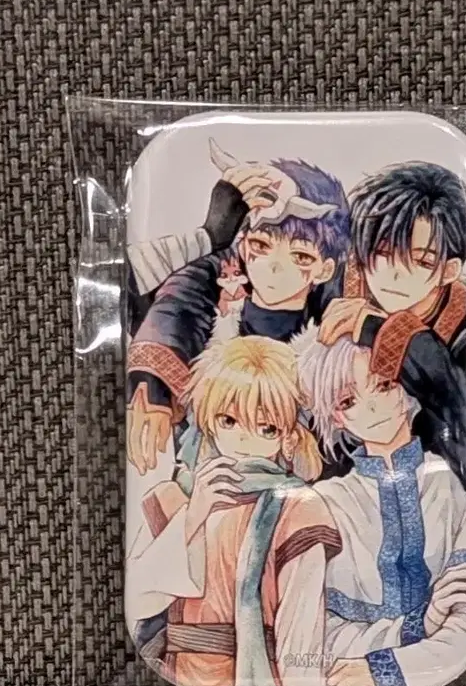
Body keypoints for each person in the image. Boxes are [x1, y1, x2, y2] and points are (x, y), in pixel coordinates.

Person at [126, 335, 341, 686]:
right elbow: (142, 597)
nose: (243, 438)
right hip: (178, 678)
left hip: (264, 678)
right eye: (228, 420)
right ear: (207, 420)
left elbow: (301, 621)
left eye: (266, 428)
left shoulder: (299, 508)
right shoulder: (172, 497)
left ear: (288, 437)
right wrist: (194, 514)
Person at [126, 140, 351, 476]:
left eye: (301, 256)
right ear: (243, 246)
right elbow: (133, 287)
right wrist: (207, 237)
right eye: (262, 245)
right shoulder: (204, 301)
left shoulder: (333, 336)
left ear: (325, 269)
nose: (275, 267)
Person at [296, 329, 466, 686]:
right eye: (348, 400)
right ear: (336, 417)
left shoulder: (460, 488)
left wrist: (382, 670)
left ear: (407, 388)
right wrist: (420, 625)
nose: (372, 407)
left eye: (384, 385)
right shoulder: (323, 503)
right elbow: (313, 637)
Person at [317, 162, 466, 499]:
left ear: (449, 270)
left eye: (422, 261)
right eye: (383, 254)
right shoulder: (339, 288)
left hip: (437, 499)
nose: (395, 274)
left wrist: (393, 336)